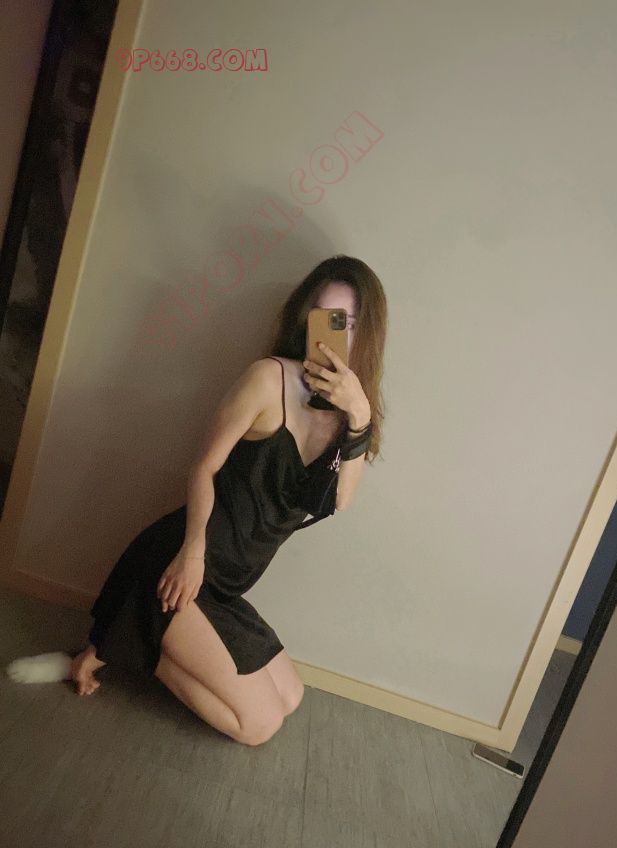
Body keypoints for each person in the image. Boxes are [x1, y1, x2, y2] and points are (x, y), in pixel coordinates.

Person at [68, 254, 387, 746]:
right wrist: (192, 553)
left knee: (290, 698)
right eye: (325, 315)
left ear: (369, 332)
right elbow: (204, 467)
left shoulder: (351, 417)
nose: (334, 331)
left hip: (227, 585)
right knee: (258, 727)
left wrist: (360, 414)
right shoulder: (267, 379)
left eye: (348, 320)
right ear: (307, 317)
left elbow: (341, 499)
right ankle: (133, 641)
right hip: (183, 564)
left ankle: (135, 644)